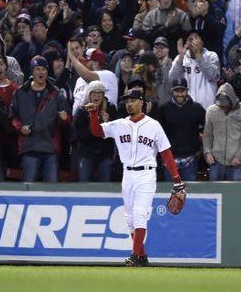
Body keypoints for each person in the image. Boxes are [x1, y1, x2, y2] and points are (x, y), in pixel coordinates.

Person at [86, 89, 186, 266]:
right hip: (128, 174)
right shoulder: (119, 124)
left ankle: (133, 255)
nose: (129, 104)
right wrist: (93, 113)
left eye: (132, 100)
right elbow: (97, 132)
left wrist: (177, 179)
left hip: (146, 174)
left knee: (140, 214)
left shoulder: (153, 125)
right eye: (126, 101)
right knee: (130, 218)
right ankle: (141, 257)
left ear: (142, 102)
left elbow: (166, 153)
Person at [11, 56, 71, 183]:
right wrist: (20, 128)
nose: (41, 72)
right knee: (28, 190)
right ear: (32, 72)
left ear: (47, 71)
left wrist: (64, 119)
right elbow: (12, 116)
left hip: (50, 149)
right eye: (37, 69)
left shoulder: (56, 94)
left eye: (43, 69)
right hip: (29, 148)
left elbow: (66, 119)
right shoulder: (20, 93)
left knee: (51, 192)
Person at [202, 83, 241, 181]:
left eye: (225, 106)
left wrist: (240, 156)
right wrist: (207, 152)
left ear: (232, 100)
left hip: (236, 161)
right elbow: (207, 135)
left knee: (236, 193)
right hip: (216, 160)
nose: (223, 108)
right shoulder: (211, 111)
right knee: (215, 192)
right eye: (221, 106)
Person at [158, 78, 207, 182]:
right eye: (177, 91)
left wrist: (200, 148)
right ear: (172, 91)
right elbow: (158, 134)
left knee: (189, 193)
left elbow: (207, 128)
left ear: (187, 91)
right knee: (171, 193)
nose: (180, 94)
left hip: (190, 158)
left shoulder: (197, 108)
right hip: (169, 158)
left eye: (182, 91)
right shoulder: (163, 109)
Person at [73, 80, 117, 182]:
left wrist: (107, 124)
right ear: (89, 95)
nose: (97, 96)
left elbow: (114, 134)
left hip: (104, 154)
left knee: (106, 186)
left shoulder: (110, 109)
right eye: (94, 93)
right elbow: (81, 135)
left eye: (100, 93)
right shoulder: (82, 111)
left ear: (103, 95)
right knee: (83, 185)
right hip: (86, 153)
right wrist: (95, 122)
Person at [169, 30, 220, 109]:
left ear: (201, 42)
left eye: (196, 38)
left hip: (208, 107)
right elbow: (172, 79)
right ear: (186, 43)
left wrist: (198, 55)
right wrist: (181, 57)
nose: (193, 41)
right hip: (186, 108)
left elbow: (214, 76)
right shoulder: (181, 58)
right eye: (190, 39)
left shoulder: (211, 55)